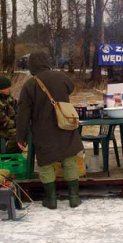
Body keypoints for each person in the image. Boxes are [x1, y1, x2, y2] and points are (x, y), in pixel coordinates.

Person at [16, 52, 84, 209]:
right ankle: (74, 197)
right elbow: (70, 88)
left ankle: (51, 199)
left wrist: (21, 136)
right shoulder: (61, 78)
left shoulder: (30, 85)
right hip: (65, 125)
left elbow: (23, 114)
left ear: (32, 66)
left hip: (43, 130)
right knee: (69, 160)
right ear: (47, 62)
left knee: (46, 164)